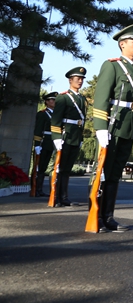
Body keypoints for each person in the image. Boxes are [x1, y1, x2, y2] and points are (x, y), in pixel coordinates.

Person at [91, 24, 133, 233]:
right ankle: (95, 216)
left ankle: (109, 216)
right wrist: (100, 128)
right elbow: (101, 98)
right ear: (122, 45)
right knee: (102, 171)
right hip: (112, 124)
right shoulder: (112, 66)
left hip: (127, 126)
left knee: (115, 173)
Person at [49, 68, 88, 207]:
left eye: (82, 78)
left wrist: (80, 138)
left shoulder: (82, 99)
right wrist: (57, 137)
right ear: (70, 80)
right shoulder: (63, 97)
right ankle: (55, 197)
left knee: (67, 169)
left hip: (75, 137)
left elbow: (81, 121)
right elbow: (56, 119)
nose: (80, 81)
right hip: (65, 136)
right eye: (77, 78)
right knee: (59, 168)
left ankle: (64, 197)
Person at [31, 92, 56, 197]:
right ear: (47, 102)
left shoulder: (56, 114)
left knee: (43, 167)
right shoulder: (42, 114)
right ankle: (34, 188)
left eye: (55, 100)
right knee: (38, 166)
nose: (54, 102)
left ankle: (39, 189)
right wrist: (37, 144)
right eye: (52, 100)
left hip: (51, 142)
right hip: (43, 142)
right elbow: (38, 130)